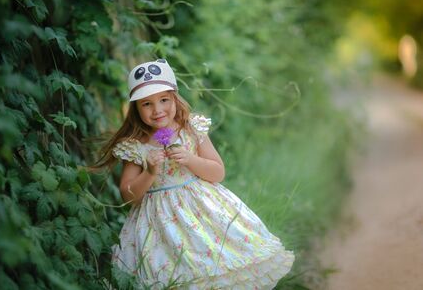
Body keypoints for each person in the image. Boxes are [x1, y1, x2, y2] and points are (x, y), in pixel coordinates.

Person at [94, 59, 295, 289]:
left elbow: (217, 172)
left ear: (174, 97)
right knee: (172, 275)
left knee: (213, 266)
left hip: (201, 211)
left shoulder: (190, 128)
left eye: (163, 100)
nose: (157, 109)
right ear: (136, 109)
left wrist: (190, 159)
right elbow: (128, 196)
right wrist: (149, 172)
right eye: (147, 104)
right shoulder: (135, 145)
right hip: (159, 224)